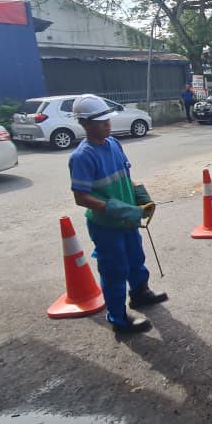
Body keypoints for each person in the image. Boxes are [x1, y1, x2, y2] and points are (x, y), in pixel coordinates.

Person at [68, 94, 168, 333]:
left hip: (127, 219)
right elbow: (81, 197)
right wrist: (115, 208)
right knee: (114, 269)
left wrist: (140, 195)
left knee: (135, 258)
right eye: (101, 121)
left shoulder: (114, 144)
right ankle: (118, 318)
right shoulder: (82, 156)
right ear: (86, 123)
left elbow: (126, 176)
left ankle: (140, 294)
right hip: (106, 225)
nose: (108, 124)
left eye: (108, 119)